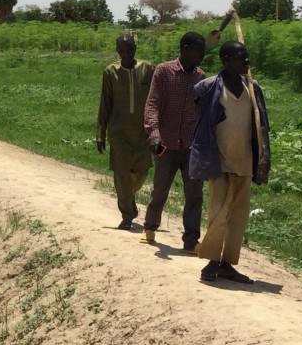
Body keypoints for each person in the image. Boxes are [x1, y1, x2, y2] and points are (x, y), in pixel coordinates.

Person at [190, 41, 270, 284]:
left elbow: (262, 125)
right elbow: (201, 124)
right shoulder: (209, 87)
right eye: (240, 57)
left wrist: (263, 157)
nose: (246, 62)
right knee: (219, 213)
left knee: (238, 216)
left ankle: (226, 265)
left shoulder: (252, 88)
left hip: (244, 161)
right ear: (226, 59)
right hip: (219, 161)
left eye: (247, 57)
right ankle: (211, 262)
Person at [141, 31, 207, 250]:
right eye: (199, 51)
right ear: (186, 49)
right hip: (165, 143)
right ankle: (150, 227)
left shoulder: (201, 77)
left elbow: (203, 112)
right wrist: (154, 133)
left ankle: (191, 241)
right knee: (160, 189)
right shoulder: (163, 71)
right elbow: (152, 104)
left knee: (194, 195)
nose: (202, 55)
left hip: (191, 145)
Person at [96, 34, 155, 230]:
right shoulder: (110, 72)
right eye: (122, 50)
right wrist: (100, 133)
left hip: (143, 132)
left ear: (135, 48)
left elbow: (156, 100)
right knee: (121, 176)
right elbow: (105, 104)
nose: (126, 54)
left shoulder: (148, 69)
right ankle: (127, 215)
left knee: (141, 171)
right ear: (117, 51)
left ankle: (130, 199)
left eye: (129, 49)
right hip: (118, 132)